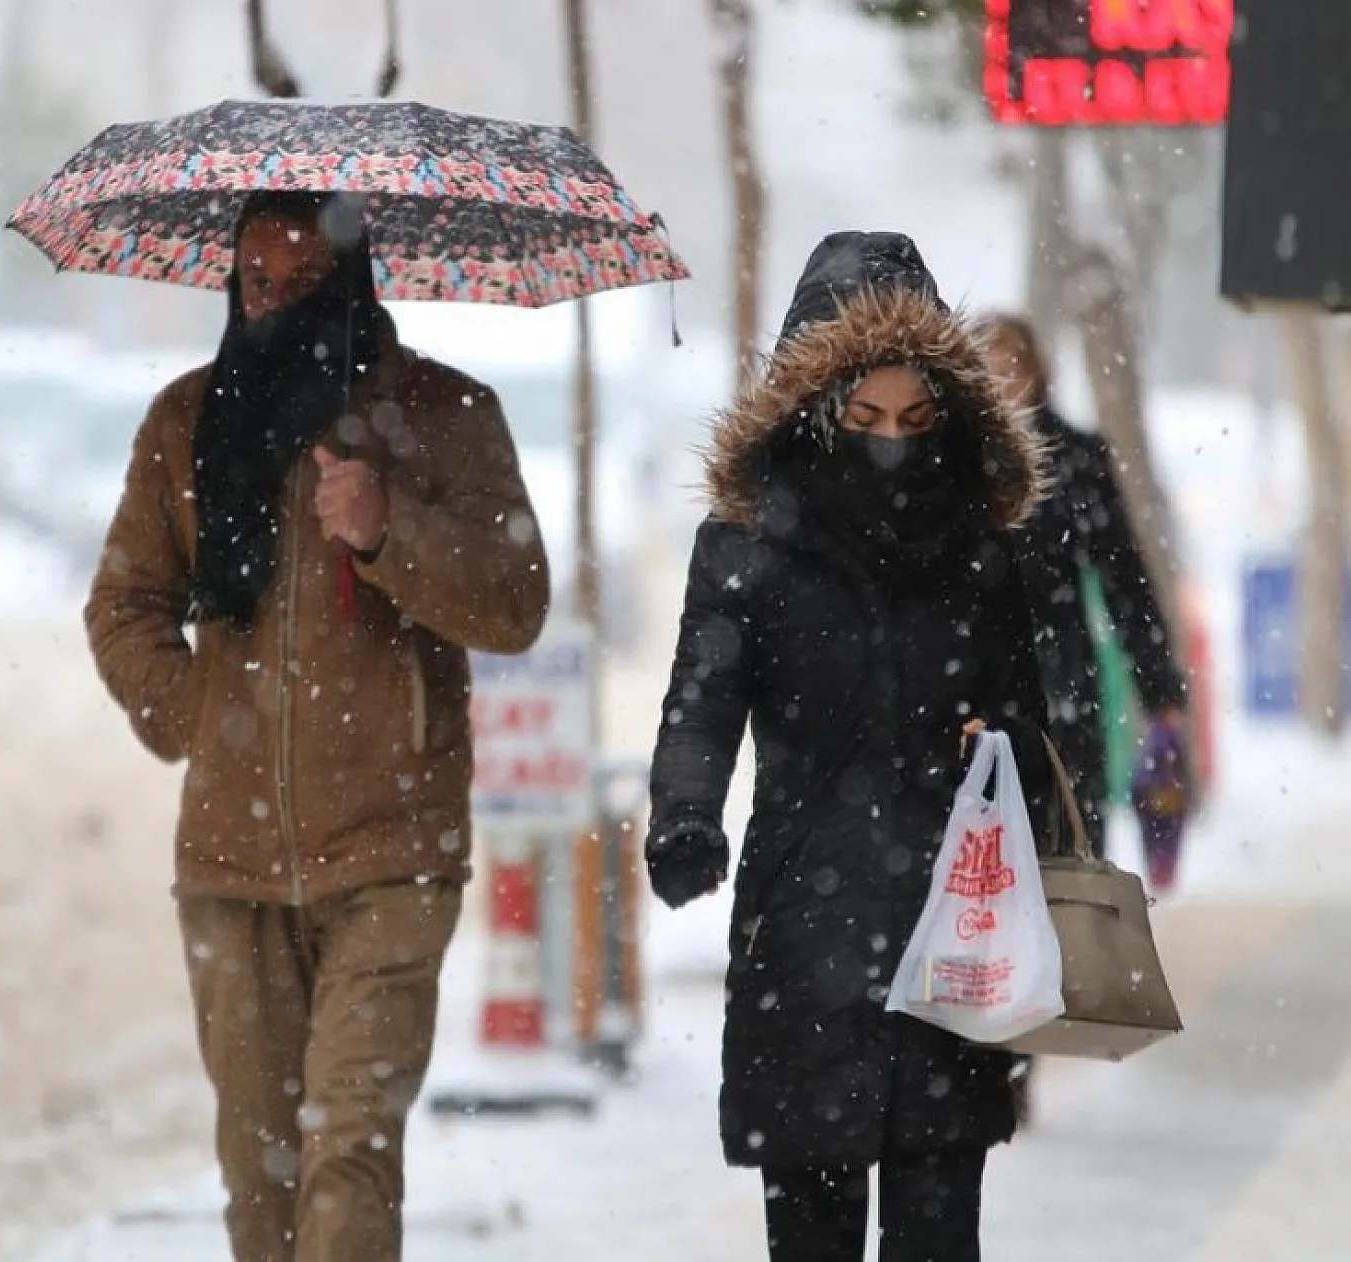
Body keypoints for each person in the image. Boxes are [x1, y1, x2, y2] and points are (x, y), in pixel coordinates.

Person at [84, 190, 549, 1262]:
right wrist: (198, 714)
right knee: (260, 1171)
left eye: (306, 282)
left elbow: (516, 602)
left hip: (393, 853)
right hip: (230, 863)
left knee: (347, 1146)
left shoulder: (446, 415)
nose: (279, 301)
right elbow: (123, 605)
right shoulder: (184, 422)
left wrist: (391, 529)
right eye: (258, 280)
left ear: (353, 281)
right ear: (231, 282)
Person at [646, 231, 1056, 1262]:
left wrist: (998, 745)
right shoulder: (746, 543)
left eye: (915, 420)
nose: (890, 442)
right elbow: (701, 701)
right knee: (811, 1234)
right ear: (811, 407)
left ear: (947, 415)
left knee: (935, 1229)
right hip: (801, 926)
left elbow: (1025, 716)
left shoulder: (976, 543)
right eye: (864, 417)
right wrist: (685, 816)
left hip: (950, 926)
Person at [975, 313, 1190, 862]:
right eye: (989, 369)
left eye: (1013, 367)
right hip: (972, 684)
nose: (1003, 382)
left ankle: (1075, 948)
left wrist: (1160, 691)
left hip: (1063, 681)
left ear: (1036, 373)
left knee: (1072, 851)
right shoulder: (954, 464)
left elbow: (1126, 583)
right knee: (978, 862)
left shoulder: (1076, 459)